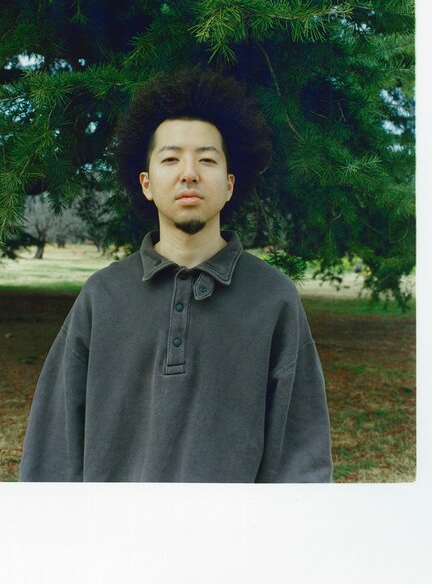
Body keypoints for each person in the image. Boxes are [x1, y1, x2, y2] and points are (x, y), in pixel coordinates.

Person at [19, 68, 333, 482]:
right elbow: (53, 453)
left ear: (229, 184)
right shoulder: (102, 297)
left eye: (207, 159)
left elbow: (302, 459)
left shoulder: (273, 299)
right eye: (170, 159)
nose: (189, 173)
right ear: (146, 183)